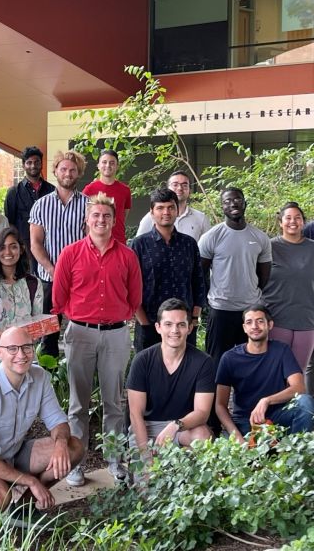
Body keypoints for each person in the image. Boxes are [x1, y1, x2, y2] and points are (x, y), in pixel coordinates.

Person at [0, 326, 83, 521]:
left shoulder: (39, 377)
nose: (21, 354)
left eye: (27, 347)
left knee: (74, 447)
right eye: (12, 349)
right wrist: (31, 481)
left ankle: (23, 509)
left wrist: (61, 443)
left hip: (10, 453)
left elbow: (58, 422)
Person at [52, 192, 142, 486]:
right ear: (86, 220)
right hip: (80, 334)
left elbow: (135, 298)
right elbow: (59, 297)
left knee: (114, 402)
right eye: (95, 216)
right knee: (77, 403)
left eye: (106, 216)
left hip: (116, 335)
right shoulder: (71, 253)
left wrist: (118, 318)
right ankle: (76, 464)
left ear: (114, 221)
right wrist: (80, 318)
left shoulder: (127, 256)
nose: (101, 220)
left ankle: (115, 460)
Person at [215, 305, 314, 442]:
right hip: (246, 421)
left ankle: (296, 452)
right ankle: (275, 446)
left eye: (260, 321)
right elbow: (220, 404)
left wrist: (266, 401)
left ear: (270, 325)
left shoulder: (281, 351)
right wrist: (235, 435)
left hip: (279, 416)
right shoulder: (229, 358)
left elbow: (299, 388)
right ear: (244, 328)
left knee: (305, 402)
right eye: (249, 322)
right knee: (252, 451)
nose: (254, 326)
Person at [126, 298, 214, 452]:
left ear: (190, 328)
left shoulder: (203, 362)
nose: (175, 330)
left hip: (182, 427)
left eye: (181, 325)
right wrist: (145, 454)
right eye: (168, 324)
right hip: (147, 427)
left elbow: (202, 413)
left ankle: (186, 472)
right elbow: (135, 414)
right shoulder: (142, 360)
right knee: (147, 473)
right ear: (158, 327)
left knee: (202, 436)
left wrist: (175, 425)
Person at [199, 187, 272, 368]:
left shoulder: (260, 238)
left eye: (237, 199)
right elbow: (200, 274)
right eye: (227, 201)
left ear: (244, 202)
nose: (233, 203)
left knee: (249, 364)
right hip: (220, 309)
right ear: (221, 207)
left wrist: (251, 293)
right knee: (216, 364)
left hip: (250, 311)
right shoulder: (211, 237)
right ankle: (217, 398)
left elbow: (264, 275)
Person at [129, 188, 205, 351]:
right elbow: (131, 287)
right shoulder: (139, 244)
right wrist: (144, 322)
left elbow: (199, 281)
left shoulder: (189, 244)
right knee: (149, 371)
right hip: (149, 323)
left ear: (177, 211)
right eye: (160, 208)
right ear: (151, 212)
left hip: (183, 325)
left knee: (185, 370)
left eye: (171, 207)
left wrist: (195, 318)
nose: (166, 212)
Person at [29, 150, 87, 358]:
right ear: (55, 171)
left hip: (80, 280)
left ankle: (77, 375)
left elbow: (91, 243)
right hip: (49, 279)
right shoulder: (41, 205)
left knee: (81, 332)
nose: (68, 173)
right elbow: (35, 244)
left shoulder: (88, 205)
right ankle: (48, 378)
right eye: (63, 169)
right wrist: (52, 270)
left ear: (79, 173)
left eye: (73, 170)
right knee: (48, 335)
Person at [262, 202, 314, 393]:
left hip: (306, 319)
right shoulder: (268, 246)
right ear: (281, 222)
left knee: (298, 376)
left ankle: (297, 420)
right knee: (274, 373)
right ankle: (270, 420)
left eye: (297, 218)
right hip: (276, 318)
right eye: (288, 218)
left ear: (303, 222)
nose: (293, 222)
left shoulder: (312, 248)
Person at [0, 227, 43, 369]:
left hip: (24, 360)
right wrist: (13, 336)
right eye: (2, 247)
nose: (8, 252)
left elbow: (37, 324)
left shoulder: (33, 283)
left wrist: (36, 333)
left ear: (21, 249)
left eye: (13, 247)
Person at [4, 146, 55, 274]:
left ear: (41, 164)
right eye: (29, 162)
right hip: (24, 253)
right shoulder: (13, 193)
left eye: (36, 162)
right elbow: (9, 224)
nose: (33, 166)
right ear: (23, 165)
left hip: (49, 250)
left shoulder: (52, 191)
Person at [136, 170, 211, 241]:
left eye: (184, 185)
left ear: (190, 191)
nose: (179, 188)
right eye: (175, 184)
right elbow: (139, 246)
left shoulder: (201, 219)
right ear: (168, 188)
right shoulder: (151, 217)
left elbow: (207, 249)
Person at [82, 149, 131, 244]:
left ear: (117, 166)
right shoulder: (89, 190)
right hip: (96, 244)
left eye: (112, 163)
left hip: (119, 242)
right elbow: (85, 219)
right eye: (104, 162)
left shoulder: (125, 190)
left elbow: (123, 215)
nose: (108, 166)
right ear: (98, 165)